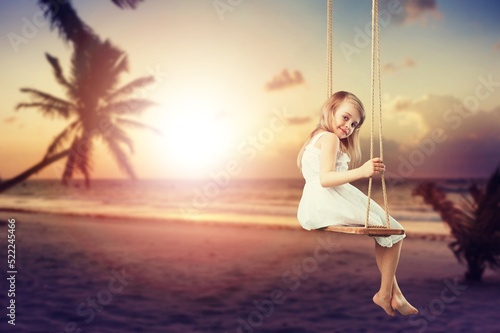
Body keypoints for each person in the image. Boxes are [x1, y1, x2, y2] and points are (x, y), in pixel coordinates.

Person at [296, 91, 418, 316]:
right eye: (345, 118)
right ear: (331, 110)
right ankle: (385, 294)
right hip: (328, 197)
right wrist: (362, 171)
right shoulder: (330, 138)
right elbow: (325, 179)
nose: (348, 126)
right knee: (395, 231)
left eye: (354, 124)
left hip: (318, 200)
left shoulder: (319, 136)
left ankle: (394, 294)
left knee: (386, 231)